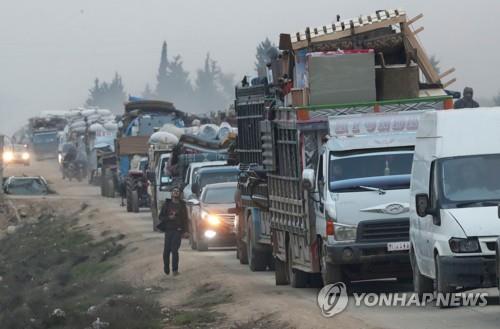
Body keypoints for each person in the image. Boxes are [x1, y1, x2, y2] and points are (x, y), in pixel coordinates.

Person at [157, 187, 188, 276]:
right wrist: (169, 218)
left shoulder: (182, 205)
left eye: (177, 191)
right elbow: (161, 217)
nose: (176, 193)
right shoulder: (167, 204)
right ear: (171, 193)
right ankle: (166, 267)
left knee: (175, 250)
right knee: (167, 250)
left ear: (180, 194)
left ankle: (175, 270)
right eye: (174, 191)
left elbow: (185, 219)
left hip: (178, 230)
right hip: (168, 230)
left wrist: (186, 231)